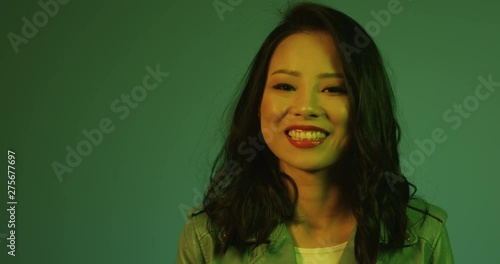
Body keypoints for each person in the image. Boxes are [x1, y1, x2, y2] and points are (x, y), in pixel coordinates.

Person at [176, 2, 454, 263]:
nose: (306, 107)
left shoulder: (423, 239)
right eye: (285, 86)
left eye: (334, 89)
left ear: (366, 107)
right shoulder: (207, 240)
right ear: (258, 103)